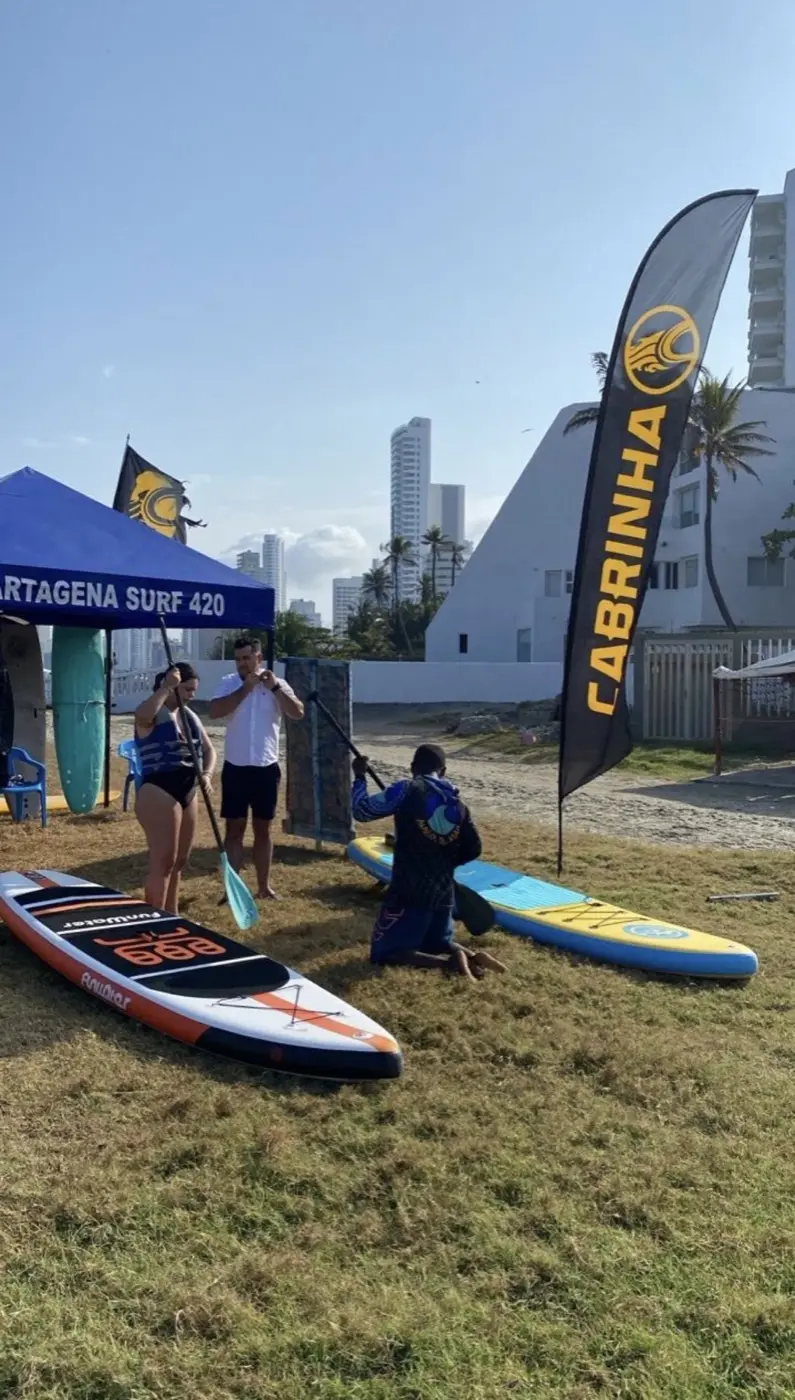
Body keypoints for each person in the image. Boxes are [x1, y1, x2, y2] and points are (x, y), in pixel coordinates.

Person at [351, 742, 507, 982]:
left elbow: (362, 811)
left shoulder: (407, 789)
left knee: (386, 952)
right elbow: (474, 848)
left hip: (409, 889)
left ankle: (451, 964)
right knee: (436, 943)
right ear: (443, 770)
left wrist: (360, 776)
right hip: (443, 890)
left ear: (413, 767)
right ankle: (471, 956)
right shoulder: (457, 803)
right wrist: (445, 864)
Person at [208, 634, 304, 900]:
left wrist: (274, 688)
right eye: (238, 659)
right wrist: (244, 690)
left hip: (265, 767)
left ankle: (264, 887)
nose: (242, 664)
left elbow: (297, 712)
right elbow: (214, 711)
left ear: (258, 658)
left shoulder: (276, 683)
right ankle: (233, 890)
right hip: (236, 767)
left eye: (247, 658)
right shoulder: (229, 683)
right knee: (234, 830)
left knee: (263, 829)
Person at [133, 662, 216, 914]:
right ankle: (153, 919)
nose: (192, 695)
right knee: (164, 861)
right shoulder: (153, 712)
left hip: (188, 789)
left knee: (180, 861)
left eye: (194, 690)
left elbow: (209, 749)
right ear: (173, 686)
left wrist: (207, 774)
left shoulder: (189, 715)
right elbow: (142, 716)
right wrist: (166, 688)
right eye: (188, 689)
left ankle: (172, 915)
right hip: (159, 789)